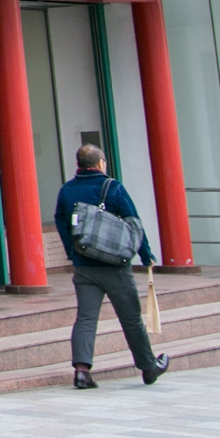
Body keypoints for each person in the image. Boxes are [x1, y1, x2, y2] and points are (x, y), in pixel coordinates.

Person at [53, 143, 166, 388]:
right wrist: (146, 255)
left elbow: (61, 223)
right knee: (131, 319)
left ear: (78, 165)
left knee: (85, 318)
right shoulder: (113, 187)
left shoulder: (67, 190)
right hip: (116, 266)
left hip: (84, 267)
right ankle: (148, 368)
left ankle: (82, 372)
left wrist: (73, 253)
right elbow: (133, 223)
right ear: (101, 163)